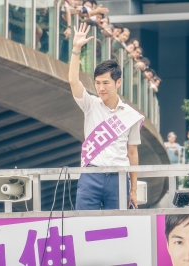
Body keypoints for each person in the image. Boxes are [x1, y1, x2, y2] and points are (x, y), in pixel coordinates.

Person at [69, 23, 144, 210]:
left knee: (118, 227)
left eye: (105, 83)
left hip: (118, 178)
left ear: (118, 82)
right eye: (97, 83)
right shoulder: (91, 104)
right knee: (83, 225)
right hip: (90, 175)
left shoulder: (130, 116)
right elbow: (73, 81)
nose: (101, 88)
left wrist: (133, 189)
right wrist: (76, 49)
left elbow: (132, 153)